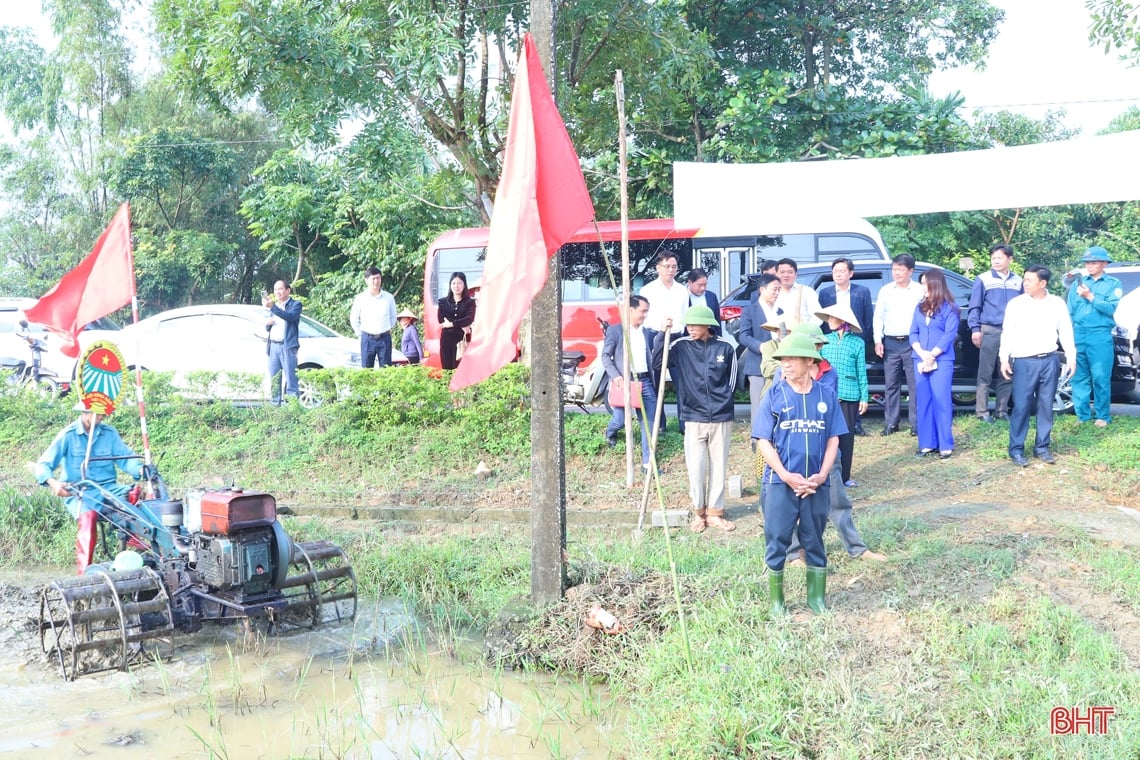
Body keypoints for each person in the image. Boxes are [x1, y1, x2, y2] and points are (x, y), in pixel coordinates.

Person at [753, 333, 845, 615]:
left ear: (809, 361)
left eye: (792, 358)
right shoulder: (775, 395)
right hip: (780, 483)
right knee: (777, 538)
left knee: (815, 538)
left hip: (816, 484)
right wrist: (784, 474)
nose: (786, 364)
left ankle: (816, 599)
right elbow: (763, 441)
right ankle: (776, 602)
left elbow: (833, 438)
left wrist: (822, 474)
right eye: (783, 359)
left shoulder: (826, 395)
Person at [780, 325, 885, 565]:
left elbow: (829, 412)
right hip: (795, 450)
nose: (817, 350)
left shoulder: (829, 372)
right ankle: (795, 553)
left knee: (838, 501)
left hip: (826, 447)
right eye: (813, 345)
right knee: (792, 504)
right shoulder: (785, 374)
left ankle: (856, 548)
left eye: (819, 345)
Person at [653, 305, 737, 533]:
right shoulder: (680, 346)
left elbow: (733, 382)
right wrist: (662, 335)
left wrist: (723, 404)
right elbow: (658, 365)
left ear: (708, 325)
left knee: (719, 466)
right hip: (692, 416)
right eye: (688, 325)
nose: (690, 329)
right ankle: (699, 513)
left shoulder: (726, 347)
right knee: (696, 467)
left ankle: (715, 513)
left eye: (695, 325)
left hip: (721, 417)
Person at [35, 405, 142, 574]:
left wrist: (140, 469)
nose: (102, 417)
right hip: (80, 490)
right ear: (85, 412)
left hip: (108, 487)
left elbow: (126, 458)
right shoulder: (68, 435)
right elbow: (43, 465)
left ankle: (134, 541)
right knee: (88, 516)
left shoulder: (109, 433)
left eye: (103, 413)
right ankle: (84, 574)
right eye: (98, 413)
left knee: (135, 494)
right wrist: (53, 482)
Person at [1000, 266, 1077, 467]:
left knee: (1046, 406)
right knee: (1022, 406)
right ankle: (1016, 449)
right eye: (1024, 280)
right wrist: (1003, 358)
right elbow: (1007, 332)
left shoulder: (1057, 303)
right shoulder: (1016, 304)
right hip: (1024, 361)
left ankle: (1042, 447)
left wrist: (1071, 356)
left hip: (1049, 360)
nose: (1024, 283)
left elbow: (1066, 331)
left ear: (1043, 283)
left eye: (1029, 280)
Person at [1066, 246, 1122, 426]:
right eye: (1087, 262)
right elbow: (1070, 311)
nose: (1090, 265)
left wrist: (1090, 296)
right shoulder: (1078, 283)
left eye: (1094, 262)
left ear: (1104, 263)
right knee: (1078, 376)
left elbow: (1110, 308)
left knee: (1100, 376)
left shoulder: (1113, 283)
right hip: (1078, 334)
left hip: (1099, 335)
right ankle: (1082, 416)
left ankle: (1102, 416)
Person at [601, 295, 659, 470]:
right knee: (619, 420)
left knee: (649, 423)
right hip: (624, 383)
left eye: (647, 311)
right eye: (643, 311)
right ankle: (610, 433)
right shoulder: (616, 331)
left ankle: (648, 462)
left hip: (645, 382)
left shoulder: (647, 332)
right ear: (631, 310)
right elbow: (605, 356)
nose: (645, 315)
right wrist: (615, 376)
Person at [818, 257, 874, 434]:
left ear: (851, 273)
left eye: (842, 271)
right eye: (835, 271)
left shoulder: (862, 291)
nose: (838, 274)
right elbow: (823, 323)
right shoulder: (825, 293)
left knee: (853, 378)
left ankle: (855, 422)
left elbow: (868, 319)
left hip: (854, 340)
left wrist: (858, 340)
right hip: (832, 342)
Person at [967, 244, 1022, 422]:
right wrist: (975, 329)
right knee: (985, 372)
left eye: (1000, 257)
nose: (996, 261)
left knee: (1006, 372)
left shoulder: (1018, 281)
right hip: (990, 330)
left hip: (1012, 332)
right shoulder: (983, 279)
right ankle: (982, 412)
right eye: (993, 258)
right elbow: (975, 306)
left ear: (1010, 259)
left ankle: (1001, 410)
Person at [815, 303, 868, 485]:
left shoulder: (857, 343)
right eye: (828, 317)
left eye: (832, 317)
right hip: (826, 391)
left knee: (846, 436)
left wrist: (864, 397)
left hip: (849, 393)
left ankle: (845, 476)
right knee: (825, 434)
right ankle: (824, 472)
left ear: (842, 320)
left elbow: (862, 371)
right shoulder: (824, 340)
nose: (828, 320)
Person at [910, 268, 959, 459]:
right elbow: (913, 332)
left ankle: (945, 444)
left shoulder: (950, 308)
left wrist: (932, 355)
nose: (923, 288)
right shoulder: (919, 307)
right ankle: (927, 443)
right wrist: (922, 354)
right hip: (920, 359)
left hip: (942, 360)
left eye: (925, 284)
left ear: (935, 284)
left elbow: (949, 336)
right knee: (924, 401)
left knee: (941, 400)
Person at [873, 253, 923, 435]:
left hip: (912, 342)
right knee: (891, 384)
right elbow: (878, 316)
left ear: (911, 271)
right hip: (891, 343)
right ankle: (891, 423)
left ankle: (916, 423)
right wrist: (878, 340)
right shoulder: (886, 290)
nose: (897, 273)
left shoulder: (919, 290)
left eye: (901, 269)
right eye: (895, 269)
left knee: (914, 384)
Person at [737, 273, 783, 422]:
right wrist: (760, 346)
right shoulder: (750, 310)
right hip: (757, 363)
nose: (777, 293)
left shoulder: (780, 311)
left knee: (778, 402)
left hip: (779, 363)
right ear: (762, 290)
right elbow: (743, 336)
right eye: (774, 289)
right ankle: (757, 440)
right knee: (758, 404)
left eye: (778, 290)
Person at [350, 267, 398, 368]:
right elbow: (354, 319)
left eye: (378, 278)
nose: (376, 281)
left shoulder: (389, 297)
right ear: (366, 280)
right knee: (366, 370)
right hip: (367, 339)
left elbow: (393, 317)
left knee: (386, 369)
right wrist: (361, 334)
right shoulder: (360, 298)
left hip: (384, 338)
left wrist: (385, 328)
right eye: (373, 279)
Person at [263, 280, 301, 404]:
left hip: (288, 346)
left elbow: (289, 317)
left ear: (288, 290)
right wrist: (268, 325)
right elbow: (270, 327)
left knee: (291, 378)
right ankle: (275, 406)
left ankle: (293, 407)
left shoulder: (295, 305)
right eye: (275, 290)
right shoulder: (275, 307)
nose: (277, 292)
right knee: (274, 378)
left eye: (280, 289)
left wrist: (273, 307)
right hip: (273, 346)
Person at [639, 252, 690, 338]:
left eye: (674, 267)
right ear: (658, 268)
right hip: (654, 335)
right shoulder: (647, 290)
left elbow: (685, 314)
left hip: (677, 335)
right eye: (667, 266)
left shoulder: (683, 290)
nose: (671, 270)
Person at [437, 271, 477, 370]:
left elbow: (469, 319)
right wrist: (459, 324)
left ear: (464, 285)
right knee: (447, 369)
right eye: (453, 283)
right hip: (447, 340)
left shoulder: (470, 302)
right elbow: (441, 319)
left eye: (459, 283)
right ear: (450, 285)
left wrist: (451, 324)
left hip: (462, 339)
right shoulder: (442, 302)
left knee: (462, 369)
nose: (456, 286)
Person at [773, 258, 821, 326]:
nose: (786, 275)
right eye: (782, 272)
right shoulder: (771, 293)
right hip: (778, 333)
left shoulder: (807, 291)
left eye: (790, 272)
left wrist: (806, 329)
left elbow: (818, 316)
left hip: (803, 333)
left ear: (796, 274)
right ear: (776, 274)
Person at [685, 268, 722, 335]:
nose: (703, 288)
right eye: (700, 285)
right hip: (689, 339)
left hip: (709, 338)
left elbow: (717, 320)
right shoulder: (683, 297)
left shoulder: (711, 297)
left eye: (705, 285)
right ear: (690, 283)